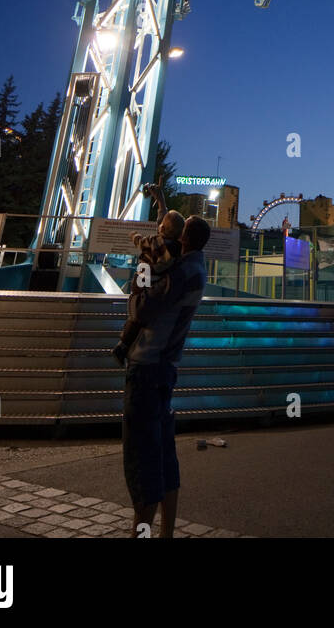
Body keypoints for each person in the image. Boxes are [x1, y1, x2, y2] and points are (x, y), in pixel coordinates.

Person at [122, 214, 210, 538]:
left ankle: (140, 533)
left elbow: (143, 309)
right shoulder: (195, 267)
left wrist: (135, 288)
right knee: (161, 455)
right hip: (165, 369)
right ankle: (166, 533)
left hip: (147, 366)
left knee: (141, 459)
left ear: (184, 237)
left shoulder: (182, 271)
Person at [112, 185, 186, 366]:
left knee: (137, 309)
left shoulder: (154, 241)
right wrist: (161, 201)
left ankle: (123, 344)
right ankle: (127, 342)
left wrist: (134, 235)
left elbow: (141, 242)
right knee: (142, 311)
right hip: (157, 279)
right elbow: (163, 221)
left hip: (143, 275)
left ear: (161, 228)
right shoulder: (178, 248)